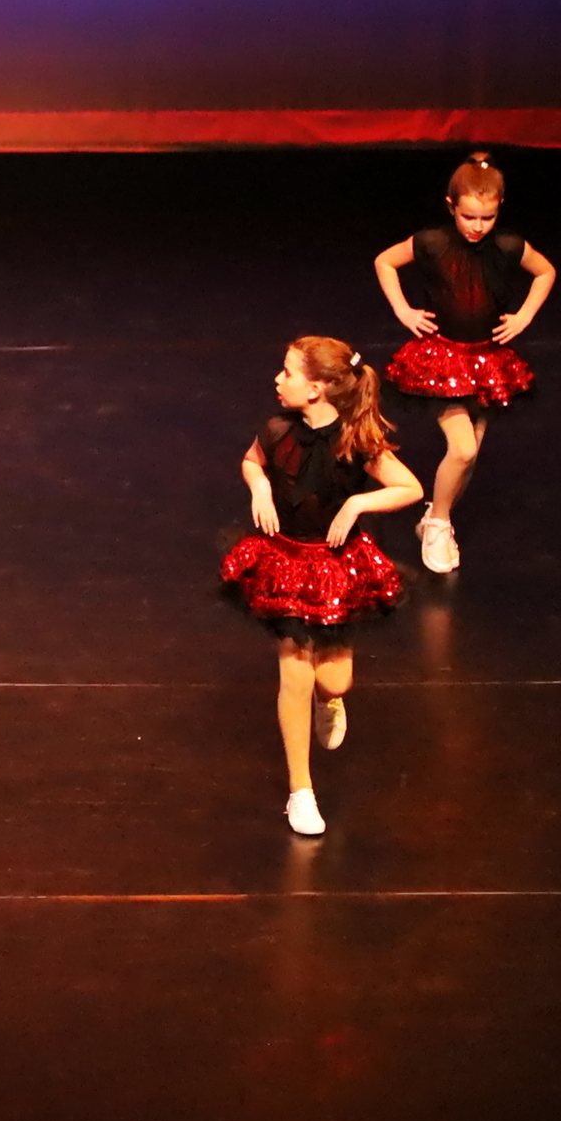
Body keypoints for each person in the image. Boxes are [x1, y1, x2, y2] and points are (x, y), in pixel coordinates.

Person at [220, 336, 424, 837]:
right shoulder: (276, 430)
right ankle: (301, 790)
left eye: (288, 372)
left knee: (333, 680)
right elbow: (252, 461)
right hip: (286, 559)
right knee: (294, 671)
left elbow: (409, 487)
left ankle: (329, 700)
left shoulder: (356, 441)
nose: (278, 379)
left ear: (316, 389)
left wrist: (357, 503)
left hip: (335, 568)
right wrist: (260, 486)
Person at [372, 151, 556, 574]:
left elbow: (545, 271)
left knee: (469, 455)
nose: (477, 226)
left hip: (487, 361)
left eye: (487, 218)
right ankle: (438, 522)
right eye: (469, 217)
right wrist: (402, 309)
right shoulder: (433, 242)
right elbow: (385, 261)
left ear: (499, 209)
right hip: (442, 359)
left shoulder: (508, 246)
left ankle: (438, 517)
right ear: (451, 206)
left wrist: (524, 316)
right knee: (463, 448)